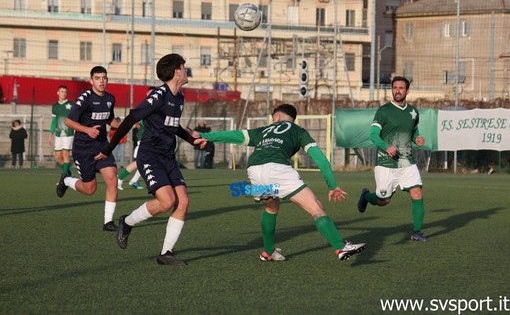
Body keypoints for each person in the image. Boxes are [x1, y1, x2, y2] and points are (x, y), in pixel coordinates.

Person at [196, 104, 367, 261]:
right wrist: (332, 185)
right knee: (316, 207)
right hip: (277, 170)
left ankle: (268, 252)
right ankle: (340, 247)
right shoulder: (299, 131)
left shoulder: (263, 130)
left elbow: (235, 135)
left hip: (254, 169)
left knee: (271, 206)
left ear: (276, 117)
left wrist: (205, 136)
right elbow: (320, 159)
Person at [95, 53, 201, 266]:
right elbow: (131, 119)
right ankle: (127, 221)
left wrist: (191, 138)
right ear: (176, 72)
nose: (186, 69)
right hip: (150, 155)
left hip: (167, 156)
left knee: (184, 202)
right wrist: (108, 148)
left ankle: (166, 253)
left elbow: (172, 126)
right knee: (167, 201)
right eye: (184, 66)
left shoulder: (179, 96)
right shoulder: (158, 96)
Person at [357, 76, 427, 242]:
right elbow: (373, 135)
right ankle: (366, 196)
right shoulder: (383, 111)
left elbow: (413, 131)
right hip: (386, 163)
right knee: (384, 201)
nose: (397, 91)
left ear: (407, 91)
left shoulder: (413, 112)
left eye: (401, 88)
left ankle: (416, 232)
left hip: (407, 161)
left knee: (417, 192)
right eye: (395, 87)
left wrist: (417, 139)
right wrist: (386, 147)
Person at [56, 66, 121, 232]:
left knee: (112, 177)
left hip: (101, 146)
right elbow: (69, 122)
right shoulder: (85, 98)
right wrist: (87, 130)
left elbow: (110, 120)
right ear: (91, 81)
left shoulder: (110, 99)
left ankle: (108, 222)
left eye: (104, 78)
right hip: (83, 148)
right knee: (90, 189)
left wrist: (127, 124)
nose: (102, 81)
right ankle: (66, 180)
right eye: (98, 78)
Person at [117, 87, 157, 191]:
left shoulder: (154, 106)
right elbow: (143, 121)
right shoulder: (146, 106)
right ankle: (120, 178)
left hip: (150, 139)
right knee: (140, 162)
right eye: (151, 93)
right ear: (147, 94)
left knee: (145, 162)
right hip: (144, 139)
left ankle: (132, 180)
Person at [48, 85, 74, 176]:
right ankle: (69, 174)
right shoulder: (55, 106)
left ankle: (64, 177)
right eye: (62, 92)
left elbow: (75, 119)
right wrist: (51, 134)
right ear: (58, 93)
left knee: (65, 154)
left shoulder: (71, 105)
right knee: (58, 157)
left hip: (69, 133)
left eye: (65, 92)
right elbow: (54, 121)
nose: (64, 93)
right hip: (58, 134)